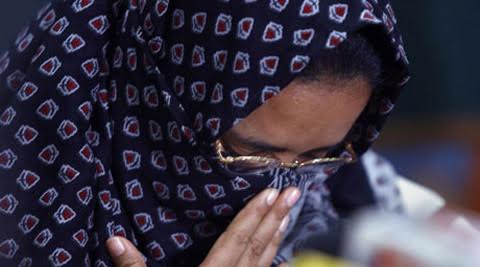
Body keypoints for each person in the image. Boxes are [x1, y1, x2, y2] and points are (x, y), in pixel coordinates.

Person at [0, 0, 410, 266]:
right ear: (158, 102)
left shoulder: (360, 198)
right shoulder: (23, 202)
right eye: (250, 155)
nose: (286, 194)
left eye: (318, 155)